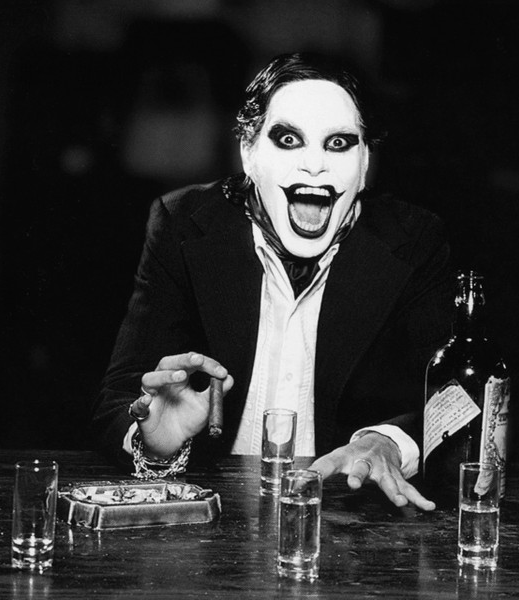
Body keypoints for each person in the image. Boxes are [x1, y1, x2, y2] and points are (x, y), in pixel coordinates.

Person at [92, 52, 453, 511]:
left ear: (365, 164)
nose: (314, 165)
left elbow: (456, 396)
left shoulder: (414, 240)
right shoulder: (183, 226)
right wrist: (154, 442)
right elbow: (120, 395)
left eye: (338, 143)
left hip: (345, 520)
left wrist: (387, 441)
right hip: (218, 514)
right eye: (288, 139)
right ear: (249, 153)